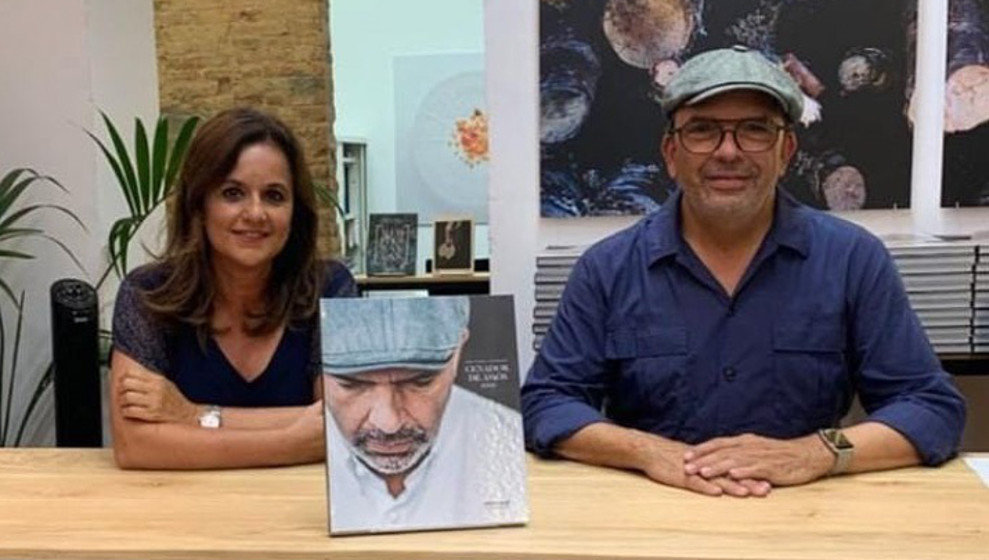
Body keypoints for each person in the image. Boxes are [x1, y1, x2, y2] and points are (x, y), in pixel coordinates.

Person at [521, 46, 967, 498]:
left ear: (786, 150)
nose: (728, 152)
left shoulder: (853, 260)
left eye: (755, 130)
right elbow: (547, 404)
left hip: (804, 522)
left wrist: (812, 453)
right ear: (671, 152)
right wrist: (649, 452)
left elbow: (929, 408)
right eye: (702, 130)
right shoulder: (607, 268)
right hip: (652, 521)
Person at [110, 107, 357, 469]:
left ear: (295, 211)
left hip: (300, 510)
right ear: (200, 204)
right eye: (232, 193)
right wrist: (292, 440)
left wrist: (192, 415)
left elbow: (343, 424)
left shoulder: (330, 288)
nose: (256, 213)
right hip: (181, 509)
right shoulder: (148, 295)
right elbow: (136, 446)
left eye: (274, 196)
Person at [322, 297, 526, 533]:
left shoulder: (503, 437)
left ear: (458, 352)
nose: (389, 424)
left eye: (420, 382)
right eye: (352, 385)